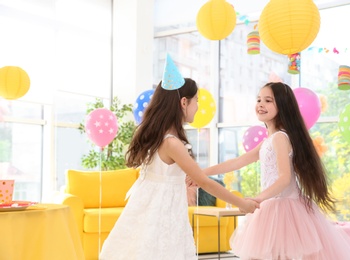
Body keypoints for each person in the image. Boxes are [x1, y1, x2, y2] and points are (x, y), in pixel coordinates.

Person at [99, 78, 259, 260]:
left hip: (155, 210)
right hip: (163, 215)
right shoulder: (171, 143)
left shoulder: (160, 137)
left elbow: (186, 175)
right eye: (196, 100)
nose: (198, 106)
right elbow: (204, 182)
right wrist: (242, 204)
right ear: (184, 102)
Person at [203, 82, 350, 259]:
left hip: (283, 207)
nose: (261, 104)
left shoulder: (280, 137)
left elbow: (284, 178)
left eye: (268, 100)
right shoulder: (270, 139)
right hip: (274, 206)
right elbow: (238, 161)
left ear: (282, 105)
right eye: (259, 100)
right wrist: (201, 173)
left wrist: (259, 198)